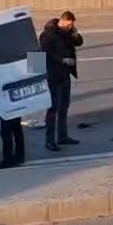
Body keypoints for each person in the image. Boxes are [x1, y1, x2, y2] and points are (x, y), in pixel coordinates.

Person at [39, 11, 83, 151]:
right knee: (53, 108)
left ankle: (62, 136)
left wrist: (75, 32)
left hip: (65, 74)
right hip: (53, 75)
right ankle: (50, 140)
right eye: (69, 24)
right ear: (63, 21)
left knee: (64, 106)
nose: (71, 27)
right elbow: (45, 54)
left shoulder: (67, 33)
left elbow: (79, 42)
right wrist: (63, 60)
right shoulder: (48, 34)